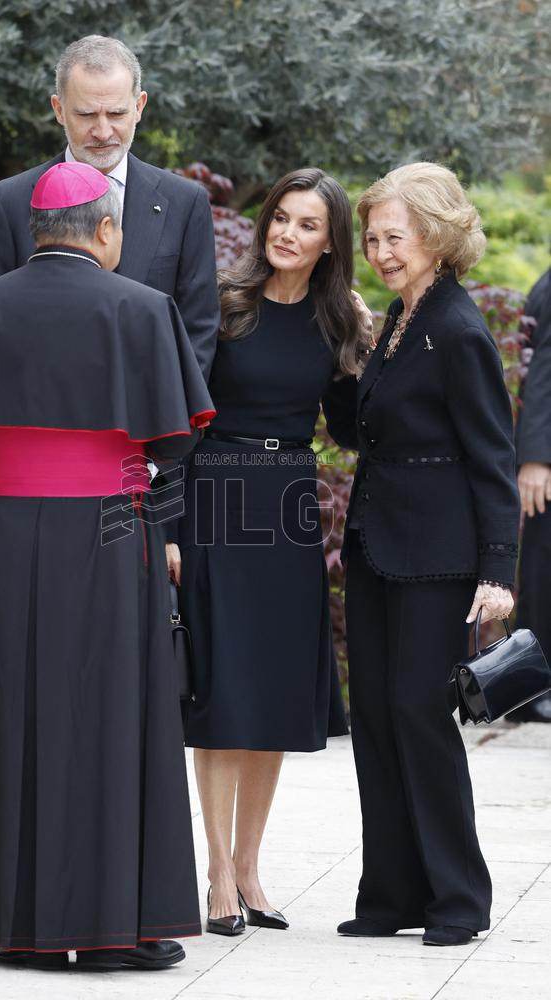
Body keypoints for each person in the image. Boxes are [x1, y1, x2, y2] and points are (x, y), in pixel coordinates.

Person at [0, 162, 215, 971]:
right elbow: (173, 442)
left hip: (9, 535)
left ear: (33, 231)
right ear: (108, 231)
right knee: (115, 716)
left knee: (12, 712)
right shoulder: (145, 309)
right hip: (115, 534)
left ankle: (20, 925)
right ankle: (115, 925)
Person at [167, 168, 371, 935]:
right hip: (216, 498)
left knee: (273, 697)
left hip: (287, 505)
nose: (287, 233)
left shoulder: (336, 322)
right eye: (280, 218)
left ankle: (251, 868)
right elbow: (180, 420)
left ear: (329, 242)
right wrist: (172, 529)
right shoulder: (224, 306)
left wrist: (366, 349)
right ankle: (216, 869)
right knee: (224, 694)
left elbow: (349, 431)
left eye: (307, 224)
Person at [337, 162, 519, 948]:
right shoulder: (399, 318)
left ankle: (457, 900)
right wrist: (347, 349)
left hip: (438, 557)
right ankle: (389, 896)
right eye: (371, 237)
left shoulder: (458, 327)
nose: (379, 251)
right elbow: (360, 432)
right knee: (376, 717)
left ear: (437, 237)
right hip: (380, 547)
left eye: (394, 237)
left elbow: (492, 455)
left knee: (419, 713)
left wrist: (498, 572)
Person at [0, 34, 218, 379]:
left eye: (116, 113)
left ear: (140, 106)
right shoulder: (5, 203)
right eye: (86, 114)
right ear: (58, 110)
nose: (103, 131)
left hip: (147, 422)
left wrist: (171, 424)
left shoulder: (186, 202)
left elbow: (198, 329)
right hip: (35, 419)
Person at [507, 267, 551, 722]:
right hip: (548, 464)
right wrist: (536, 457)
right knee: (543, 572)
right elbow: (542, 368)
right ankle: (531, 690)